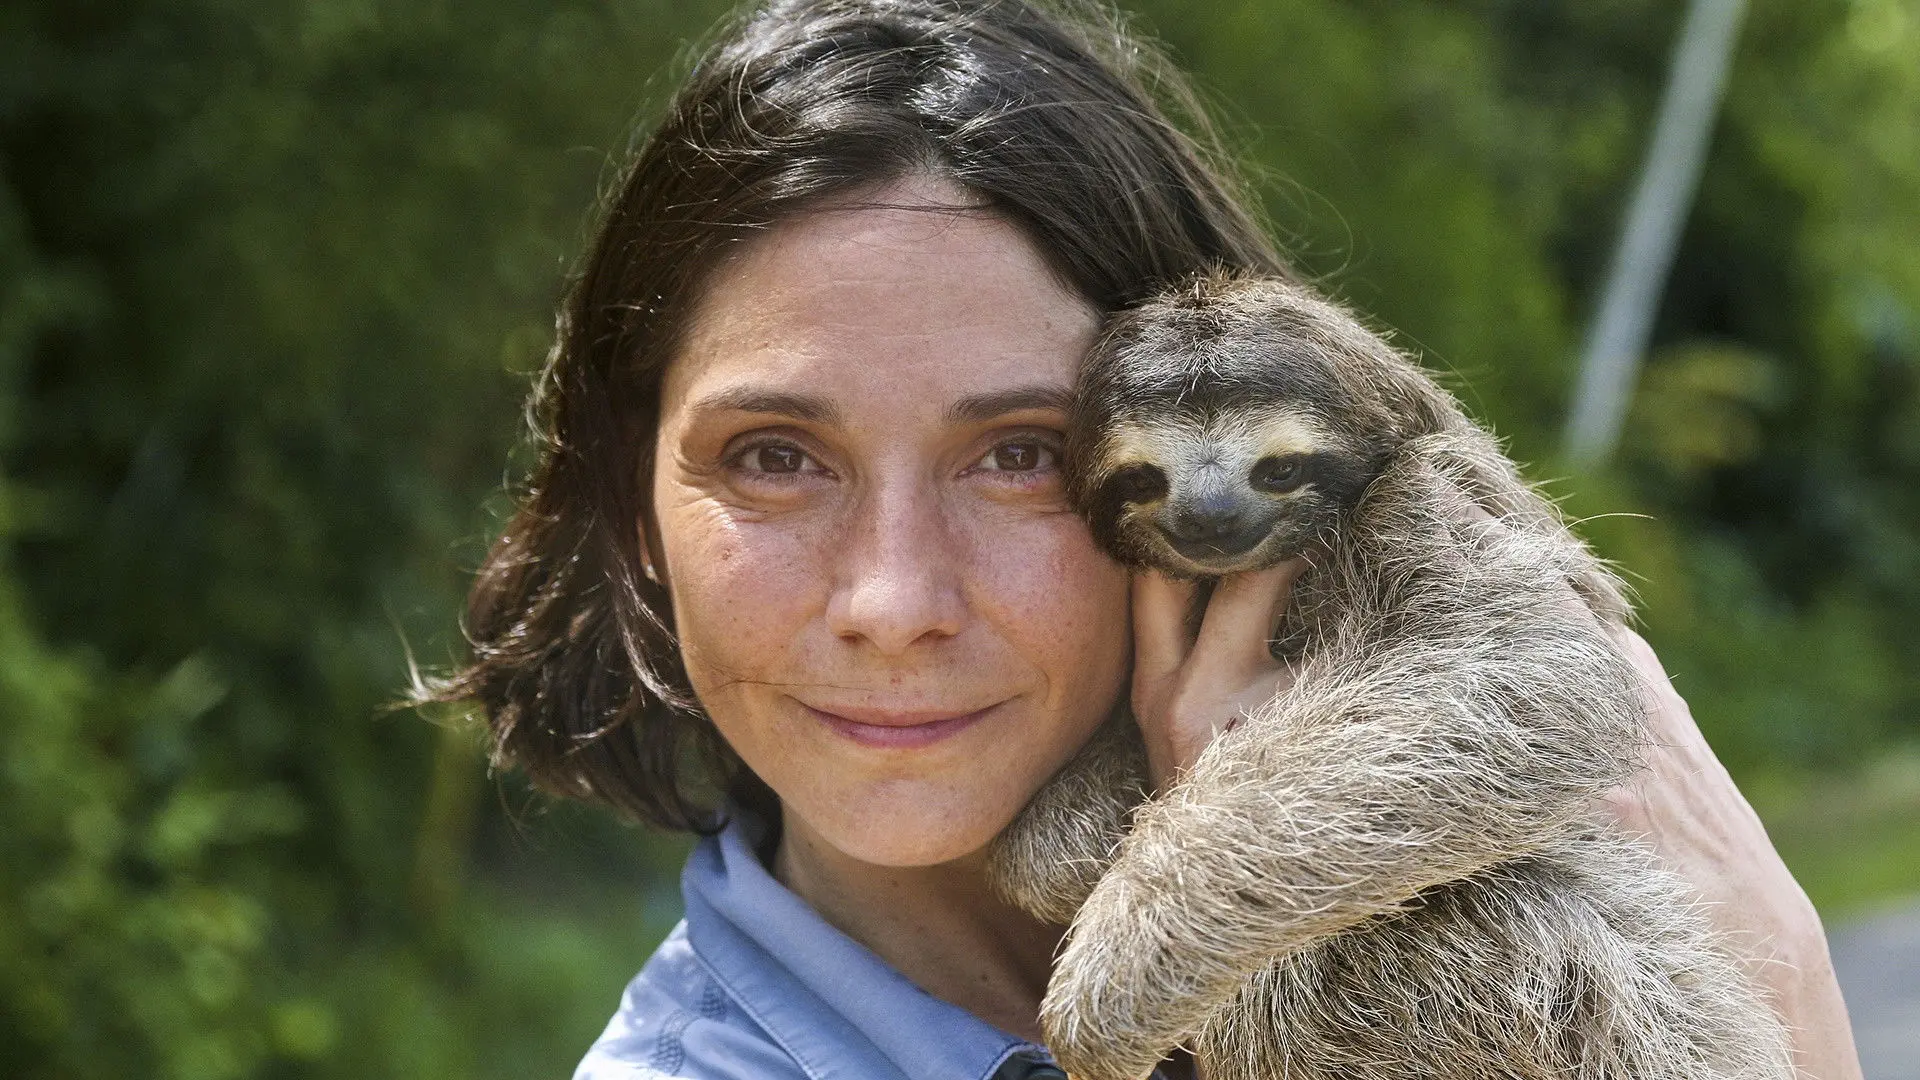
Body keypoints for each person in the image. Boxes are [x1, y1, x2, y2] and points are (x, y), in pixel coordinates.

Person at [426, 1, 1863, 1077]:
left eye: (1022, 457)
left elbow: (1545, 701)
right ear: (636, 513)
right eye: (775, 458)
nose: (892, 600)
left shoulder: (1388, 551)